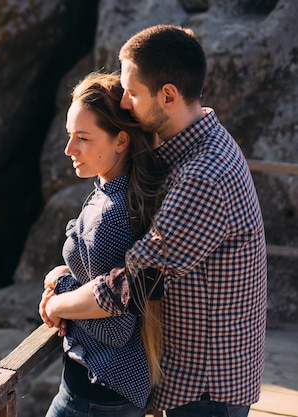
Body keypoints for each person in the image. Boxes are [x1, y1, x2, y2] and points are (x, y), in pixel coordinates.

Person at [40, 24, 267, 417]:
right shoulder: (193, 145)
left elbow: (132, 285)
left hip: (206, 386)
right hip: (195, 375)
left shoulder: (203, 175)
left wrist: (60, 299)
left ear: (168, 95)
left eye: (132, 93)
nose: (124, 103)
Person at [42, 71, 168, 417]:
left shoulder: (112, 215)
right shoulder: (126, 191)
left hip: (96, 395)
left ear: (121, 141)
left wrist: (60, 290)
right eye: (70, 136)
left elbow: (116, 324)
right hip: (115, 390)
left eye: (83, 138)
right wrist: (66, 273)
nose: (70, 149)